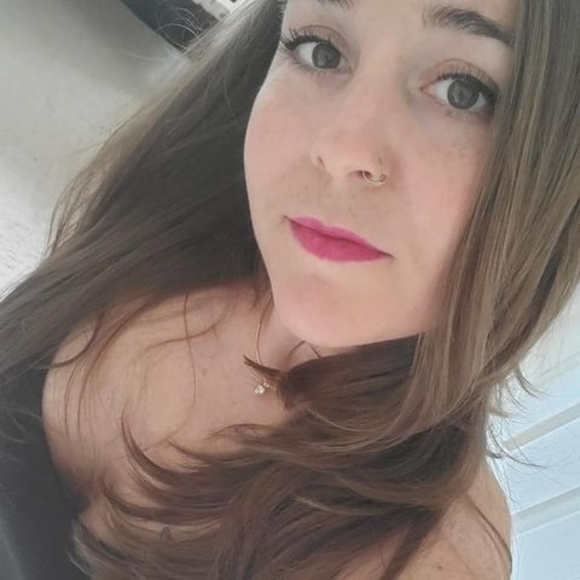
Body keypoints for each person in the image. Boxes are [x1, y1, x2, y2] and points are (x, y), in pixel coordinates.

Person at [0, 0, 579, 578]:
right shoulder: (172, 221)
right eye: (320, 51)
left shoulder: (426, 559)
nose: (340, 148)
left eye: (462, 92)